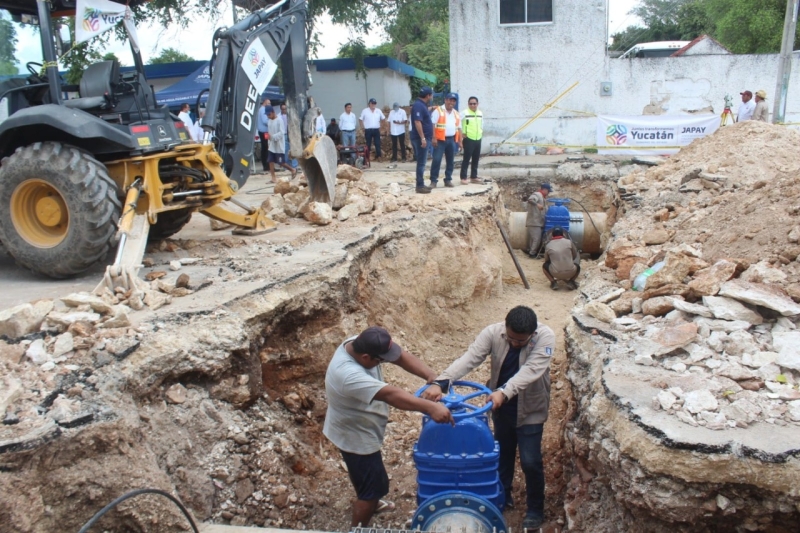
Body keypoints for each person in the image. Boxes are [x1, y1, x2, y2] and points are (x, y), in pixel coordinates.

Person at [421, 306, 555, 531]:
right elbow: (470, 358)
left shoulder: (546, 337)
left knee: (531, 461)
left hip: (530, 408)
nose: (514, 344)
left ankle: (535, 508)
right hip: (500, 407)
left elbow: (532, 370)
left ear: (532, 334)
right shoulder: (493, 333)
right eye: (511, 339)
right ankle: (502, 496)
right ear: (505, 327)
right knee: (502, 454)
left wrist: (503, 392)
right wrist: (441, 382)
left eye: (521, 342)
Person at [324, 326, 454, 528]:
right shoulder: (347, 374)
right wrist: (430, 408)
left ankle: (370, 501)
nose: (385, 362)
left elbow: (400, 356)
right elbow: (391, 395)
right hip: (355, 435)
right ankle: (360, 524)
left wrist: (431, 376)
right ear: (367, 357)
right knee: (373, 488)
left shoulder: (358, 344)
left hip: (359, 425)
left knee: (363, 477)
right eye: (381, 360)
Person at [429, 93, 462, 188]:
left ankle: (448, 180)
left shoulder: (456, 113)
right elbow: (433, 124)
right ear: (445, 100)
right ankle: (433, 181)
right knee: (437, 160)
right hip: (440, 140)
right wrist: (433, 137)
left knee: (450, 161)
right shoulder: (438, 111)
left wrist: (460, 141)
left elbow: (459, 128)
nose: (451, 102)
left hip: (451, 139)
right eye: (449, 100)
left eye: (453, 100)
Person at [410, 87, 434, 194]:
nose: (432, 97)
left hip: (423, 138)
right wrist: (423, 138)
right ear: (428, 96)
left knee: (421, 162)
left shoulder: (421, 105)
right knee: (421, 163)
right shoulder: (419, 105)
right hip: (421, 139)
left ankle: (421, 184)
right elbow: (417, 122)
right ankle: (420, 185)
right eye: (431, 95)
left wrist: (432, 108)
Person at [265, 105, 297, 182]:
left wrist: (272, 137)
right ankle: (273, 177)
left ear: (273, 112)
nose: (268, 116)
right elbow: (269, 133)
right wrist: (269, 141)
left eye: (269, 114)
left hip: (279, 144)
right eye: (267, 115)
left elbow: (282, 132)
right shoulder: (269, 121)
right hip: (272, 145)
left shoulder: (279, 120)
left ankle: (292, 169)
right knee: (270, 160)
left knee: (281, 162)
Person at [461, 96, 484, 184]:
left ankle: (473, 176)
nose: (472, 105)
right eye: (471, 104)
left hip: (478, 138)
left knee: (476, 158)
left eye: (474, 104)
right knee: (466, 158)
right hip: (468, 138)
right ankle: (463, 177)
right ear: (468, 104)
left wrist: (481, 132)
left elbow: (482, 123)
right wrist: (462, 133)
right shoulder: (464, 113)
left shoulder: (480, 113)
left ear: (477, 104)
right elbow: (457, 122)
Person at [525, 183, 551, 257]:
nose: (548, 193)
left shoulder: (542, 197)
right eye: (548, 191)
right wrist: (537, 205)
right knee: (537, 239)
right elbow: (530, 200)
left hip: (537, 222)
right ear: (544, 190)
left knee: (534, 239)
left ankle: (531, 251)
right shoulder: (537, 194)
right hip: (534, 222)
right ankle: (532, 253)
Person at [280, 103, 298, 169]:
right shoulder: (279, 117)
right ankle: (287, 166)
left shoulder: (291, 116)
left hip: (291, 134)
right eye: (283, 109)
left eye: (285, 109)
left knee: (293, 150)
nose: (284, 110)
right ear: (281, 109)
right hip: (284, 135)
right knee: (285, 151)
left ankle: (294, 166)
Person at [257, 97, 271, 173]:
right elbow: (265, 121)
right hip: (264, 132)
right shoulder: (263, 110)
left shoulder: (262, 109)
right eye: (268, 103)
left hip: (264, 131)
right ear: (264, 103)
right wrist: (272, 119)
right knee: (266, 148)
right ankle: (266, 165)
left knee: (265, 148)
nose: (269, 105)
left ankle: (267, 165)